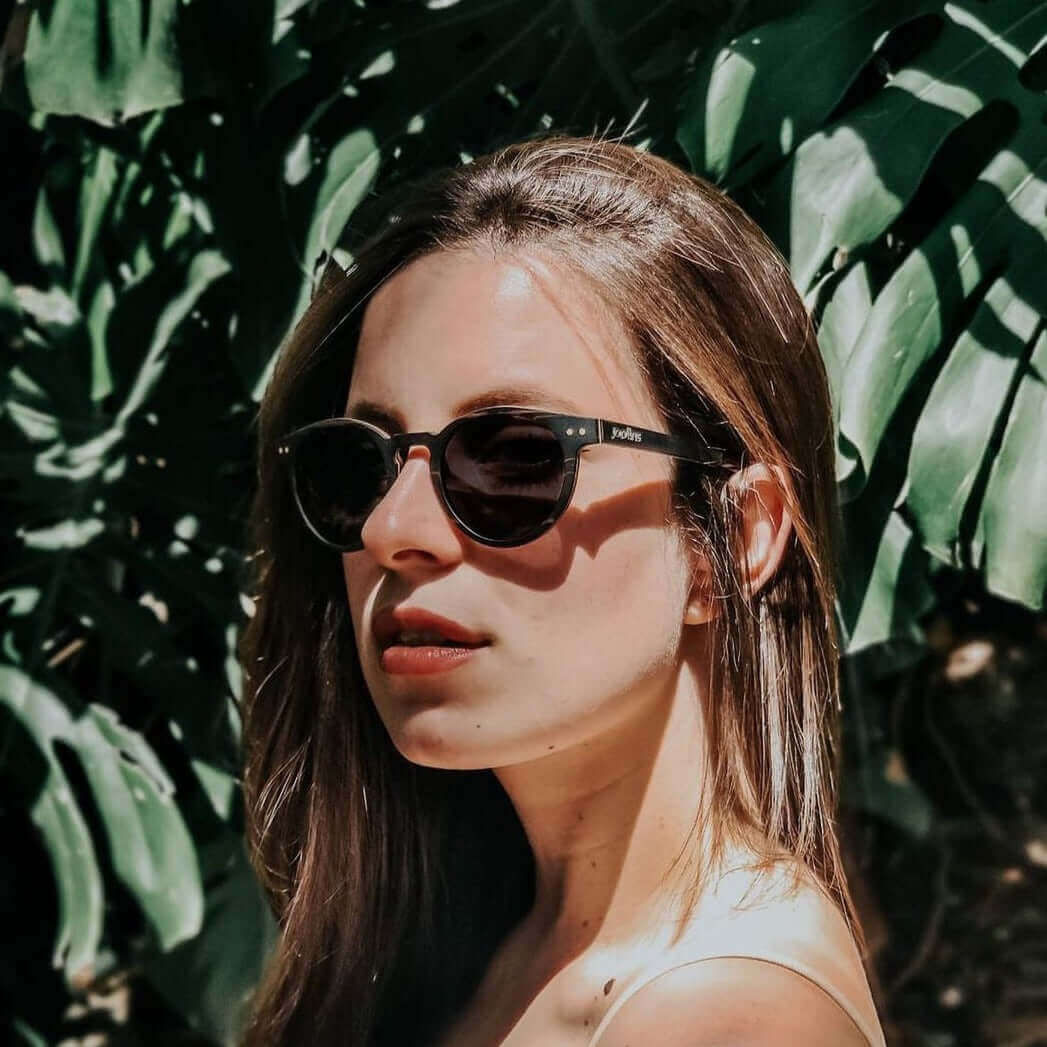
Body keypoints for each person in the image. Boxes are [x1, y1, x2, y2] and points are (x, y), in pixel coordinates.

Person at [236, 131, 889, 1047]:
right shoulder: (489, 951)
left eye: (513, 458)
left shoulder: (716, 1015)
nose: (392, 528)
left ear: (735, 539)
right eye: (361, 463)